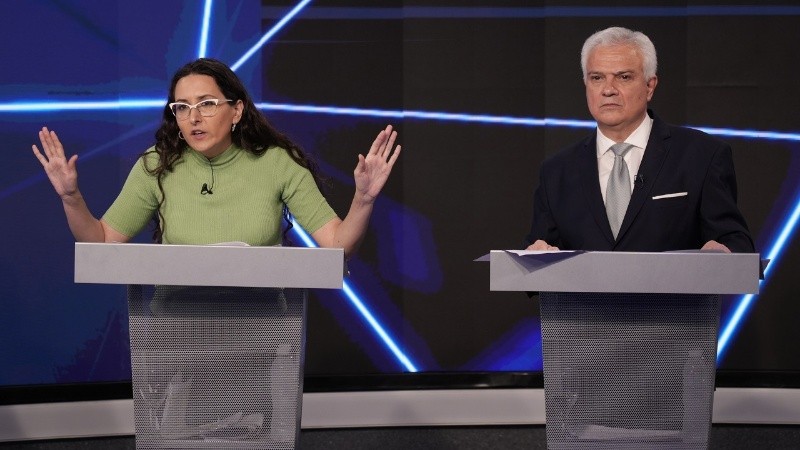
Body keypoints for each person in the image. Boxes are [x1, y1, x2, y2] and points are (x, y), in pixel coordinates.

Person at [32, 58, 401, 257]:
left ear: (236, 111)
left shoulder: (277, 163)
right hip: (176, 332)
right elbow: (101, 243)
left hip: (261, 334)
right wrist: (71, 198)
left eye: (207, 104)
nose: (193, 117)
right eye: (182, 107)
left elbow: (338, 245)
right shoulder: (156, 164)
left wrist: (363, 199)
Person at [525, 27, 754, 253]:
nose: (608, 90)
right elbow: (539, 256)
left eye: (623, 77)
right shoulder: (556, 172)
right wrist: (534, 257)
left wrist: (724, 253)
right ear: (586, 84)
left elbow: (735, 243)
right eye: (597, 78)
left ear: (649, 86)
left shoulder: (703, 156)